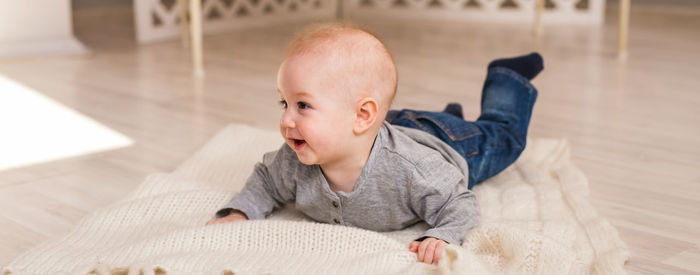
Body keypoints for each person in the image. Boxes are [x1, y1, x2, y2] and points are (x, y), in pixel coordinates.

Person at [206, 23, 542, 266]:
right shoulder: (293, 160)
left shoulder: (414, 170)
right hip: (387, 124)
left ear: (362, 116)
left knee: (504, 137)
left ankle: (505, 77)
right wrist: (240, 211)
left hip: (444, 141)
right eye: (285, 104)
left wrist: (442, 235)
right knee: (413, 123)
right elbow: (266, 181)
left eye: (303, 106)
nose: (286, 121)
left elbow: (460, 204)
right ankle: (447, 113)